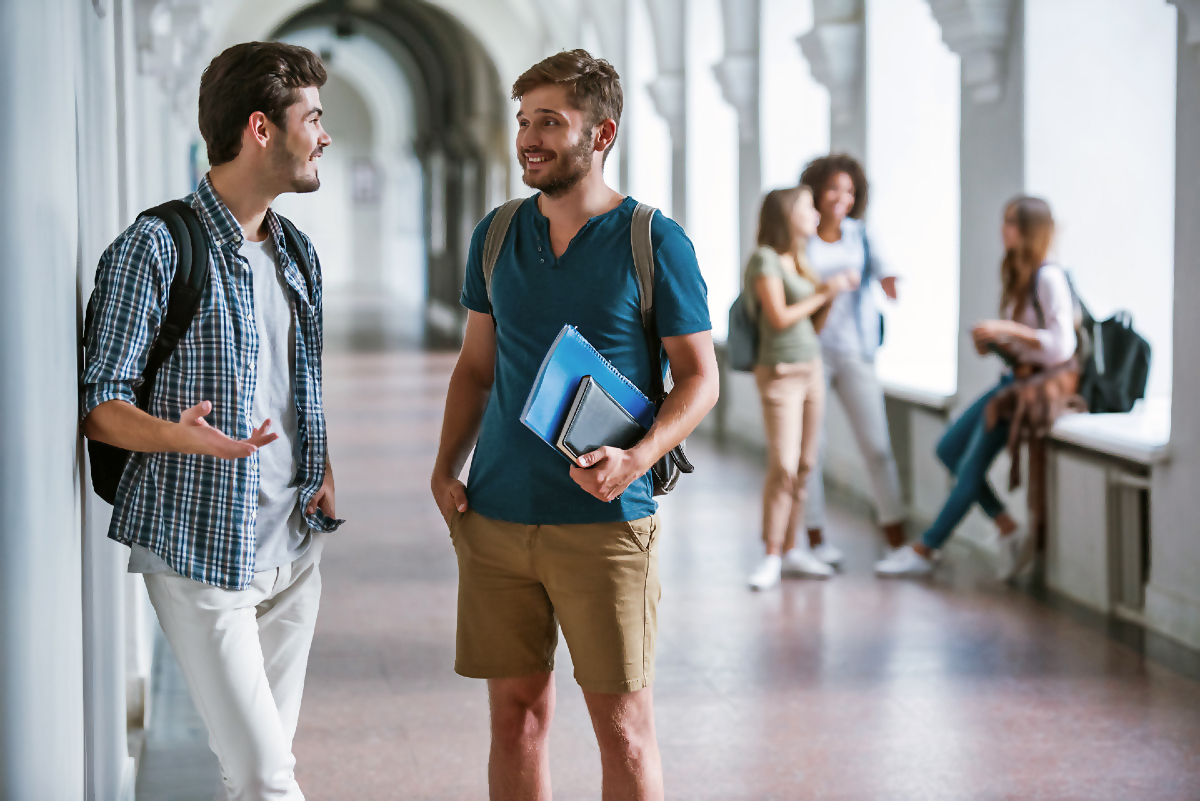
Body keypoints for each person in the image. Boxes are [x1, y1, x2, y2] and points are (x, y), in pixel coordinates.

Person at [430, 50, 718, 800]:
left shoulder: (653, 242)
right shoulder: (495, 235)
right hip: (496, 516)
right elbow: (475, 367)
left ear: (601, 132)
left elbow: (700, 379)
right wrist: (444, 465)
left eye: (550, 122)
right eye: (523, 120)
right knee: (516, 721)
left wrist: (638, 457)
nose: (528, 136)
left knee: (622, 728)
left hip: (606, 520)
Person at [81, 43, 339, 798]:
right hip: (201, 550)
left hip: (294, 551)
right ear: (261, 127)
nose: (324, 135)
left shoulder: (298, 253)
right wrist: (175, 434)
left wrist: (321, 466)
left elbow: (303, 384)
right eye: (313, 118)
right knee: (267, 775)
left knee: (250, 772)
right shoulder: (154, 248)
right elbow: (100, 405)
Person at [875, 197, 1076, 579]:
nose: (1004, 230)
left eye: (1012, 223)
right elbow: (1027, 345)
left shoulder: (1049, 276)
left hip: (1030, 392)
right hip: (1012, 381)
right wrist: (995, 344)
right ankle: (1006, 526)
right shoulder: (1020, 272)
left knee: (970, 466)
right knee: (949, 449)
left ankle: (926, 548)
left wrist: (1008, 330)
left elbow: (1062, 346)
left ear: (1031, 231)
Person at [744, 186, 860, 591]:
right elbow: (778, 318)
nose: (816, 214)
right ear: (786, 215)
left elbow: (810, 327)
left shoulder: (802, 261)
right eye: (808, 208)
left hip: (811, 366)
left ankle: (793, 549)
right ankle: (771, 554)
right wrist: (825, 292)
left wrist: (829, 296)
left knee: (808, 464)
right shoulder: (766, 260)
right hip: (779, 372)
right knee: (785, 465)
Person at [799, 154, 906, 565]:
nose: (841, 198)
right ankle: (815, 540)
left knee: (877, 447)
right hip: (812, 353)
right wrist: (828, 288)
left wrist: (890, 283)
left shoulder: (861, 236)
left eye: (849, 190)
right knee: (813, 450)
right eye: (833, 189)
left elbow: (887, 271)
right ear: (816, 192)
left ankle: (896, 539)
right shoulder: (804, 236)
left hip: (857, 351)